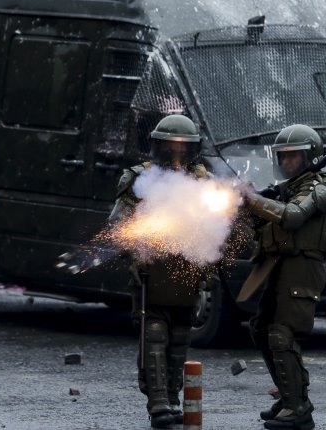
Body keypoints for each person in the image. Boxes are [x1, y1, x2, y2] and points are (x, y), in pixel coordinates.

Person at [108, 114, 214, 429]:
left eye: (183, 148)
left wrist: (207, 263)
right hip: (152, 271)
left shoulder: (201, 181)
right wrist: (139, 248)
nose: (177, 154)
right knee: (154, 337)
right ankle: (158, 405)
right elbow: (118, 225)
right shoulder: (141, 180)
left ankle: (171, 398)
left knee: (181, 337)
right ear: (159, 147)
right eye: (170, 148)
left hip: (187, 270)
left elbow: (214, 226)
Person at [243, 124, 326, 430]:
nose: (287, 163)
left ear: (310, 156)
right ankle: (289, 397)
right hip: (279, 263)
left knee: (282, 333)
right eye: (283, 157)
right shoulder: (285, 189)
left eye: (294, 157)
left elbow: (294, 216)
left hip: (303, 265)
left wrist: (252, 200)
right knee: (261, 329)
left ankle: (298, 408)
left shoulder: (323, 186)